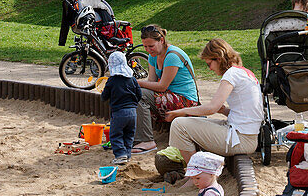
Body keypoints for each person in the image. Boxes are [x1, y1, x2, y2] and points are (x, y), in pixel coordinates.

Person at [164, 38, 262, 169]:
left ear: (219, 59)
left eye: (209, 64)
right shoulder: (244, 72)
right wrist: (223, 111)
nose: (209, 69)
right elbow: (246, 113)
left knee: (179, 125)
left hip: (241, 140)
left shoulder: (231, 74)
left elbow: (211, 108)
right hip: (245, 136)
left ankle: (196, 173)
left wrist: (181, 111)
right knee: (189, 122)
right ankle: (199, 170)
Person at [132, 24, 199, 156]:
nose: (148, 49)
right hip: (168, 95)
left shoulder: (172, 56)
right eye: (145, 46)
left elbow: (162, 86)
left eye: (151, 46)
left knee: (139, 94)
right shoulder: (153, 55)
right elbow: (151, 81)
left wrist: (135, 83)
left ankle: (147, 141)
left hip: (185, 100)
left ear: (161, 40)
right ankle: (135, 137)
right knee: (132, 93)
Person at [101, 51, 141, 166]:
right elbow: (139, 94)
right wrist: (133, 104)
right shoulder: (132, 79)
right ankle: (127, 154)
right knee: (129, 134)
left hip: (119, 113)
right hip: (133, 113)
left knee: (115, 134)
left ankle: (120, 154)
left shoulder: (112, 81)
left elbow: (105, 96)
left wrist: (104, 96)